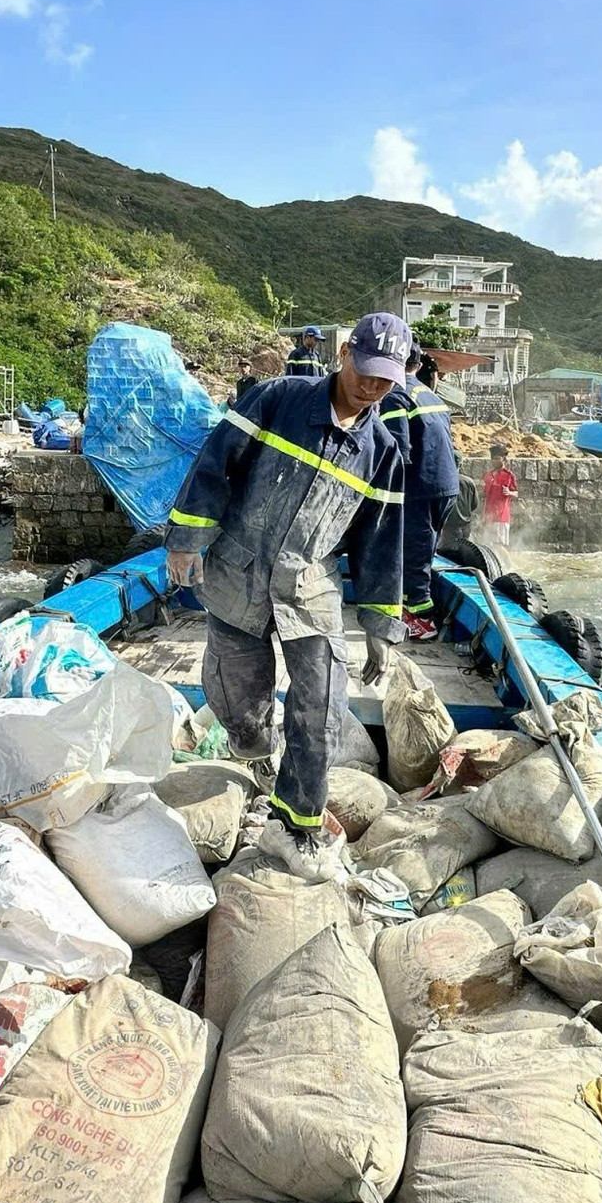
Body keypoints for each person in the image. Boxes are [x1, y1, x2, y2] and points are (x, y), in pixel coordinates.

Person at [164, 312, 411, 878]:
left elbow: (381, 543)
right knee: (238, 704)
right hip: (238, 572)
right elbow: (213, 467)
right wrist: (186, 540)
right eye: (366, 370)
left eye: (386, 379)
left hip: (310, 586)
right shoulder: (276, 400)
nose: (372, 387)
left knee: (323, 703)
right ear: (346, 352)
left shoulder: (383, 453)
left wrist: (380, 626)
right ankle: (254, 746)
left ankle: (294, 823)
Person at [379, 346, 460, 642]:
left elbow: (397, 451)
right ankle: (413, 607)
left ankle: (422, 620)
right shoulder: (429, 394)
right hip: (446, 485)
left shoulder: (395, 396)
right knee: (424, 551)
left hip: (419, 487)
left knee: (412, 550)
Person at [479, 443, 517, 548]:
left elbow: (516, 492)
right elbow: (485, 494)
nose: (494, 461)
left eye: (497, 458)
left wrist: (510, 492)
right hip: (488, 516)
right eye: (493, 459)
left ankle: (509, 564)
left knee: (500, 546)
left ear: (503, 459)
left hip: (501, 516)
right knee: (488, 545)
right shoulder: (488, 475)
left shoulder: (508, 475)